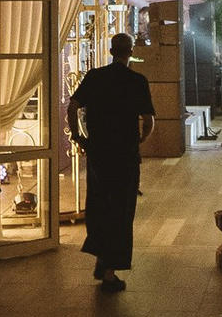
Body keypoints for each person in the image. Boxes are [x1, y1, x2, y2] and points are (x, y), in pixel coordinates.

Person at [66, 31, 156, 291]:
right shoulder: (137, 81)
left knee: (98, 207)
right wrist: (140, 139)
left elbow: (73, 107)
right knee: (121, 211)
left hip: (99, 153)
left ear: (111, 51)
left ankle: (101, 258)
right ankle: (108, 271)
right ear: (130, 53)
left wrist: (78, 136)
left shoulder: (95, 77)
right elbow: (148, 120)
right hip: (125, 155)